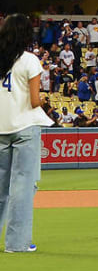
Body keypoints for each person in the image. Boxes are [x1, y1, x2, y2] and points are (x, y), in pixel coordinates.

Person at [0, 14, 52, 252]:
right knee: (22, 185)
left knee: (0, 187)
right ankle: (17, 243)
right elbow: (34, 100)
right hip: (24, 128)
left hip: (1, 127)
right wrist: (45, 99)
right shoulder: (30, 59)